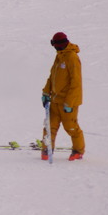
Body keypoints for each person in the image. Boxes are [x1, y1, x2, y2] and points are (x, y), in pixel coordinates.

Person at [41, 32, 85, 161]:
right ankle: (47, 149)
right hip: (55, 100)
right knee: (49, 127)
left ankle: (78, 151)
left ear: (59, 44)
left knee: (71, 128)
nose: (54, 48)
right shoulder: (59, 56)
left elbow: (76, 83)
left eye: (54, 45)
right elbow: (52, 77)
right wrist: (45, 92)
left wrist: (69, 103)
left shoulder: (72, 57)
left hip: (68, 103)